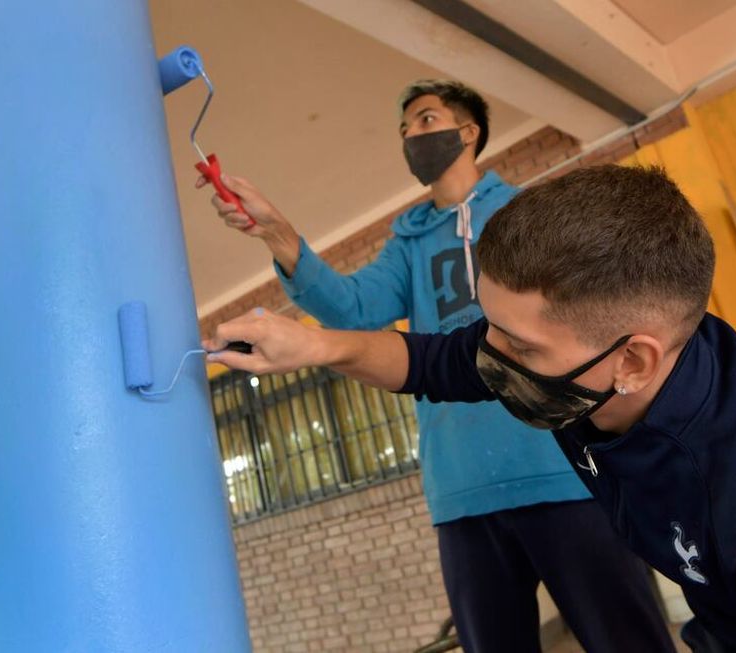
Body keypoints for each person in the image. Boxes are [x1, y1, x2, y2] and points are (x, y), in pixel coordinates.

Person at [205, 164, 736, 653]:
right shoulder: (577, 359)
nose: (490, 355)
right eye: (487, 326)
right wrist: (311, 346)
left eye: (519, 348)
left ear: (633, 360)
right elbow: (428, 359)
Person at [199, 81, 675, 652]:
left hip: (563, 472)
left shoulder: (527, 212)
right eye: (404, 130)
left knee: (628, 641)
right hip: (462, 489)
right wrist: (276, 230)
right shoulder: (409, 242)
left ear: (468, 132)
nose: (411, 136)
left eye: (425, 120)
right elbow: (352, 308)